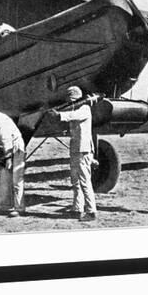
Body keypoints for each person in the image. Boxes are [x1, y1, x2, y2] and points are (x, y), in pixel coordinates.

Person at [47, 86, 97, 221]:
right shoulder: (77, 108)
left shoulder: (85, 109)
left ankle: (91, 211)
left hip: (83, 150)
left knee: (84, 181)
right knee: (75, 181)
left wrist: (59, 115)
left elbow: (73, 116)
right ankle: (77, 208)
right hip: (76, 149)